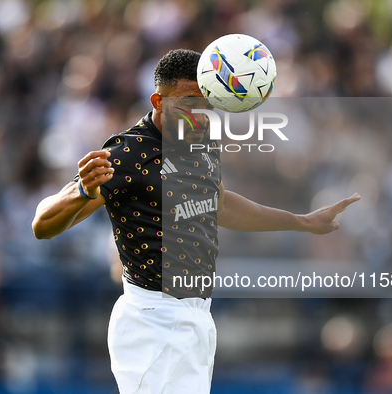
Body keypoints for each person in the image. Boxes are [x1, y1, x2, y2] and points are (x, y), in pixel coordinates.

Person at [32, 49, 360, 393]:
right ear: (158, 101)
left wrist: (301, 221)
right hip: (153, 320)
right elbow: (42, 225)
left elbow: (219, 205)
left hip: (196, 317)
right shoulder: (125, 155)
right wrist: (81, 191)